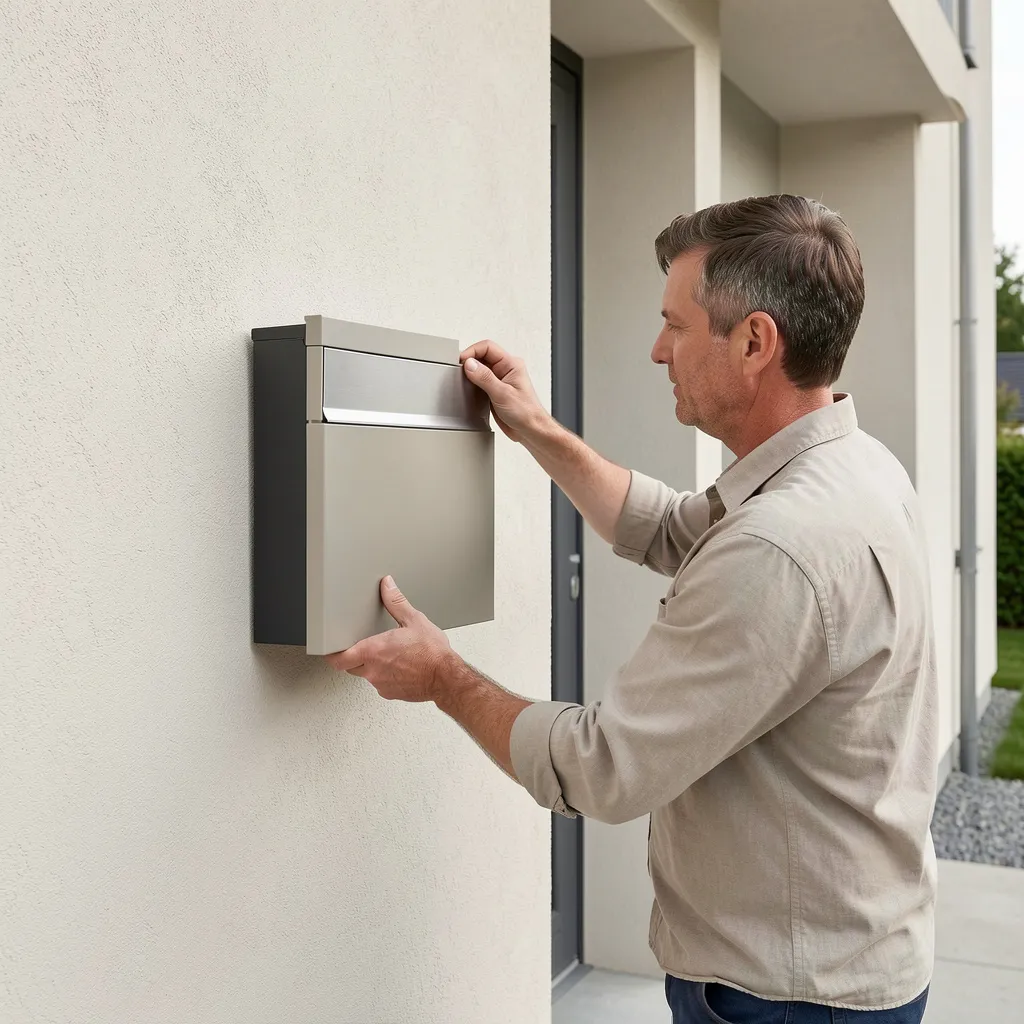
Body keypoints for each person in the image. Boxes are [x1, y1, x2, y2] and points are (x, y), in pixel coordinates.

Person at [326, 195, 938, 1024]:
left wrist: (442, 677)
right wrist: (537, 430)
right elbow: (676, 528)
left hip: (788, 1002)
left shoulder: (779, 546)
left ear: (755, 342)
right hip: (849, 964)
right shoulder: (853, 469)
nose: (658, 350)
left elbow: (602, 769)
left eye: (676, 326)